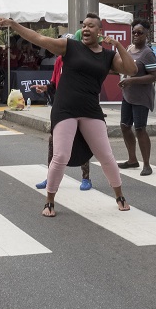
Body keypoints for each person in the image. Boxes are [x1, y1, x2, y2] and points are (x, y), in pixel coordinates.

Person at [0, 13, 137, 217]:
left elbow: (131, 69)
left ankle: (120, 196)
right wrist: (13, 24)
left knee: (106, 155)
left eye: (91, 26)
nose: (86, 29)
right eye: (84, 25)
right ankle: (50, 200)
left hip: (90, 110)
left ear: (100, 32)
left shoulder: (108, 56)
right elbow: (38, 38)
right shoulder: (70, 46)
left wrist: (118, 46)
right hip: (65, 108)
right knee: (60, 155)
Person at [33, 31, 92, 191]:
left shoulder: (82, 61)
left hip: (79, 106)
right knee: (53, 143)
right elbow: (54, 83)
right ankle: (50, 177)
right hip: (61, 107)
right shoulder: (59, 60)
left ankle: (86, 178)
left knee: (81, 140)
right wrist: (44, 88)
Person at [117, 19, 156, 176]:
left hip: (141, 97)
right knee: (124, 126)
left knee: (140, 129)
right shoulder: (129, 48)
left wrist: (132, 80)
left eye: (139, 32)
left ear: (146, 34)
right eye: (134, 32)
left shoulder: (147, 53)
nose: (136, 35)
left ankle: (147, 164)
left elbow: (154, 76)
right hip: (128, 95)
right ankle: (132, 159)